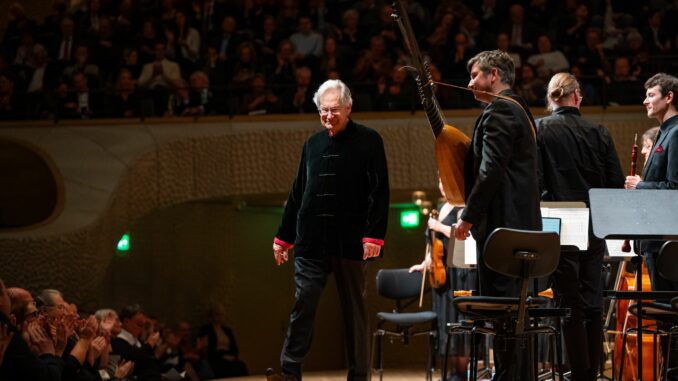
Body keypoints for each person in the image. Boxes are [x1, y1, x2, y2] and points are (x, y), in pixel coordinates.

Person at [267, 79, 389, 381]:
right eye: (323, 111)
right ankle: (289, 372)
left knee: (355, 313)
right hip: (310, 240)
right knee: (303, 303)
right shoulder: (312, 144)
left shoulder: (370, 140)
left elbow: (380, 191)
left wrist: (374, 236)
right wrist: (283, 237)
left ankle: (360, 375)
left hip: (350, 240)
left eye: (334, 110)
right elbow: (297, 193)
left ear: (348, 107)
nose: (328, 116)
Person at [453, 50, 542, 381]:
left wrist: (468, 215)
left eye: (475, 75)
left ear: (493, 75)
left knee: (505, 314)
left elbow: (489, 171)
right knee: (514, 314)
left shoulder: (501, 109)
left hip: (503, 231)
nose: (470, 82)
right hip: (521, 228)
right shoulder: (522, 109)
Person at [536, 72, 624, 381]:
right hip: (594, 223)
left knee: (568, 300)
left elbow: (536, 182)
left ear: (551, 98)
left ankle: (579, 373)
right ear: (578, 97)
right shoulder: (599, 131)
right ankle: (594, 372)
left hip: (559, 224)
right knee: (593, 298)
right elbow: (614, 181)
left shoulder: (541, 129)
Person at [409, 179, 475, 381]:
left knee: (459, 322)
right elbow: (435, 245)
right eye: (439, 182)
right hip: (442, 274)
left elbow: (464, 235)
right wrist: (425, 263)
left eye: (445, 182)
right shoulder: (440, 207)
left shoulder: (464, 207)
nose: (441, 187)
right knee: (445, 322)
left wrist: (438, 226)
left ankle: (461, 374)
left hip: (460, 272)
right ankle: (449, 373)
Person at [625, 73, 678, 292]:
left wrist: (640, 185)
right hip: (655, 236)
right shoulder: (664, 132)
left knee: (666, 308)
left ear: (669, 97)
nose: (645, 101)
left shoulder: (675, 133)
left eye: (651, 95)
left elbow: (674, 188)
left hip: (666, 238)